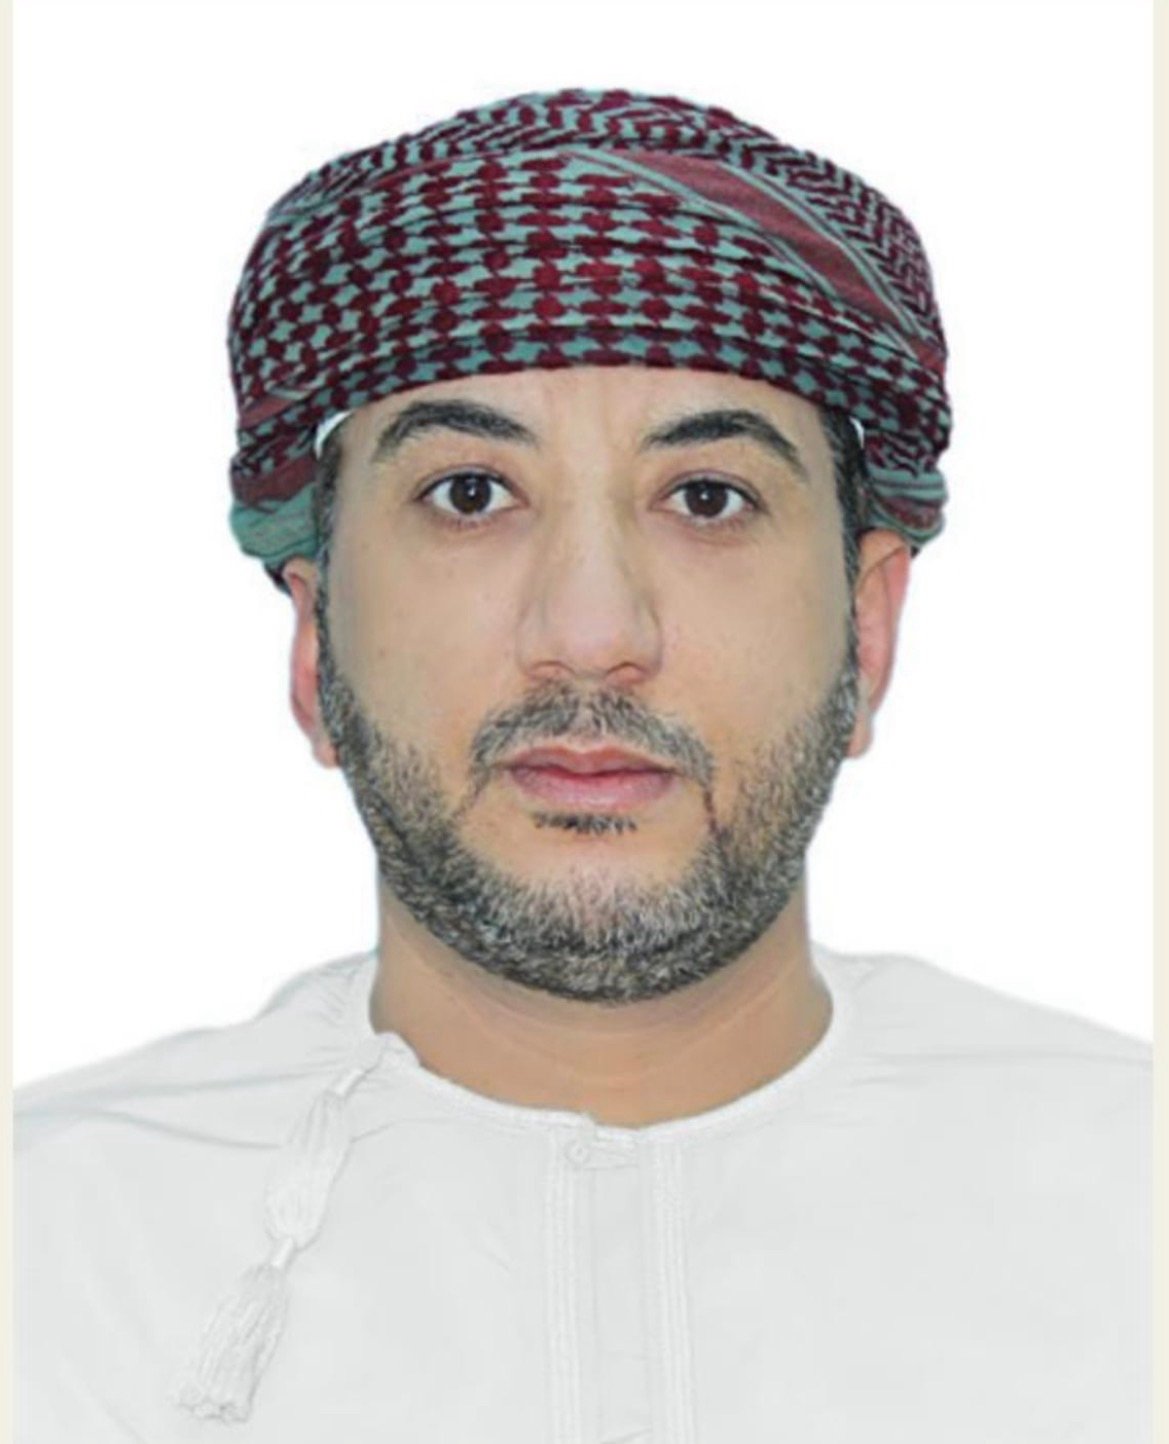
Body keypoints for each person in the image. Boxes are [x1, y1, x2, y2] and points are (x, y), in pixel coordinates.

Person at [14, 88, 1150, 1443]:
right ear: (316, 641)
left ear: (867, 628)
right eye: (470, 494)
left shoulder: (1128, 1212)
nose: (594, 634)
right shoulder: (55, 1261)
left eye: (707, 498)